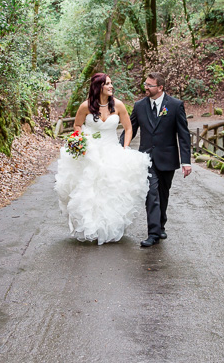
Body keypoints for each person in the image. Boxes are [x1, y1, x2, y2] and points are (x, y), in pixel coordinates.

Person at [54, 73, 151, 244]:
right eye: (108, 84)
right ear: (99, 87)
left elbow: (128, 128)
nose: (111, 86)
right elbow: (77, 125)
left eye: (111, 83)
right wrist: (81, 139)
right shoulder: (85, 106)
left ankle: (110, 227)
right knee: (91, 190)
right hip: (91, 152)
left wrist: (125, 147)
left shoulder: (119, 105)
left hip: (112, 150)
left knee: (112, 190)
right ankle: (92, 227)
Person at [130, 72, 192, 247]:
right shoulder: (139, 106)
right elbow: (130, 130)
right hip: (146, 159)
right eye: (145, 84)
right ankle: (153, 233)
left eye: (150, 85)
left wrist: (186, 161)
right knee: (151, 193)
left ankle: (161, 224)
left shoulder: (175, 105)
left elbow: (183, 134)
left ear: (160, 88)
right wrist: (120, 148)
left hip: (167, 158)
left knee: (163, 194)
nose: (146, 87)